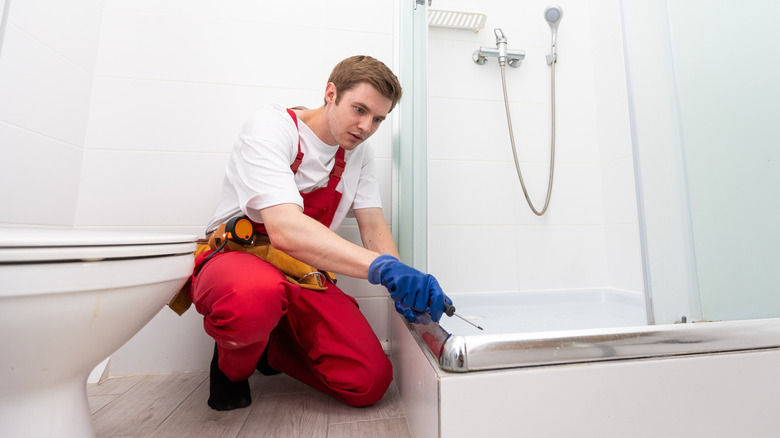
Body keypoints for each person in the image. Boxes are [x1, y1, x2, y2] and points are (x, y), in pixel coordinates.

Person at [185, 55, 451, 411]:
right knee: (253, 296)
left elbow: (372, 224)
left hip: (302, 271)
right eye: (359, 109)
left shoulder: (358, 153)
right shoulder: (272, 126)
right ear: (331, 93)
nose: (365, 126)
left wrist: (401, 279)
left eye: (377, 119)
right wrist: (382, 268)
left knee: (369, 381)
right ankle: (230, 370)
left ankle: (271, 347)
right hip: (240, 259)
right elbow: (285, 228)